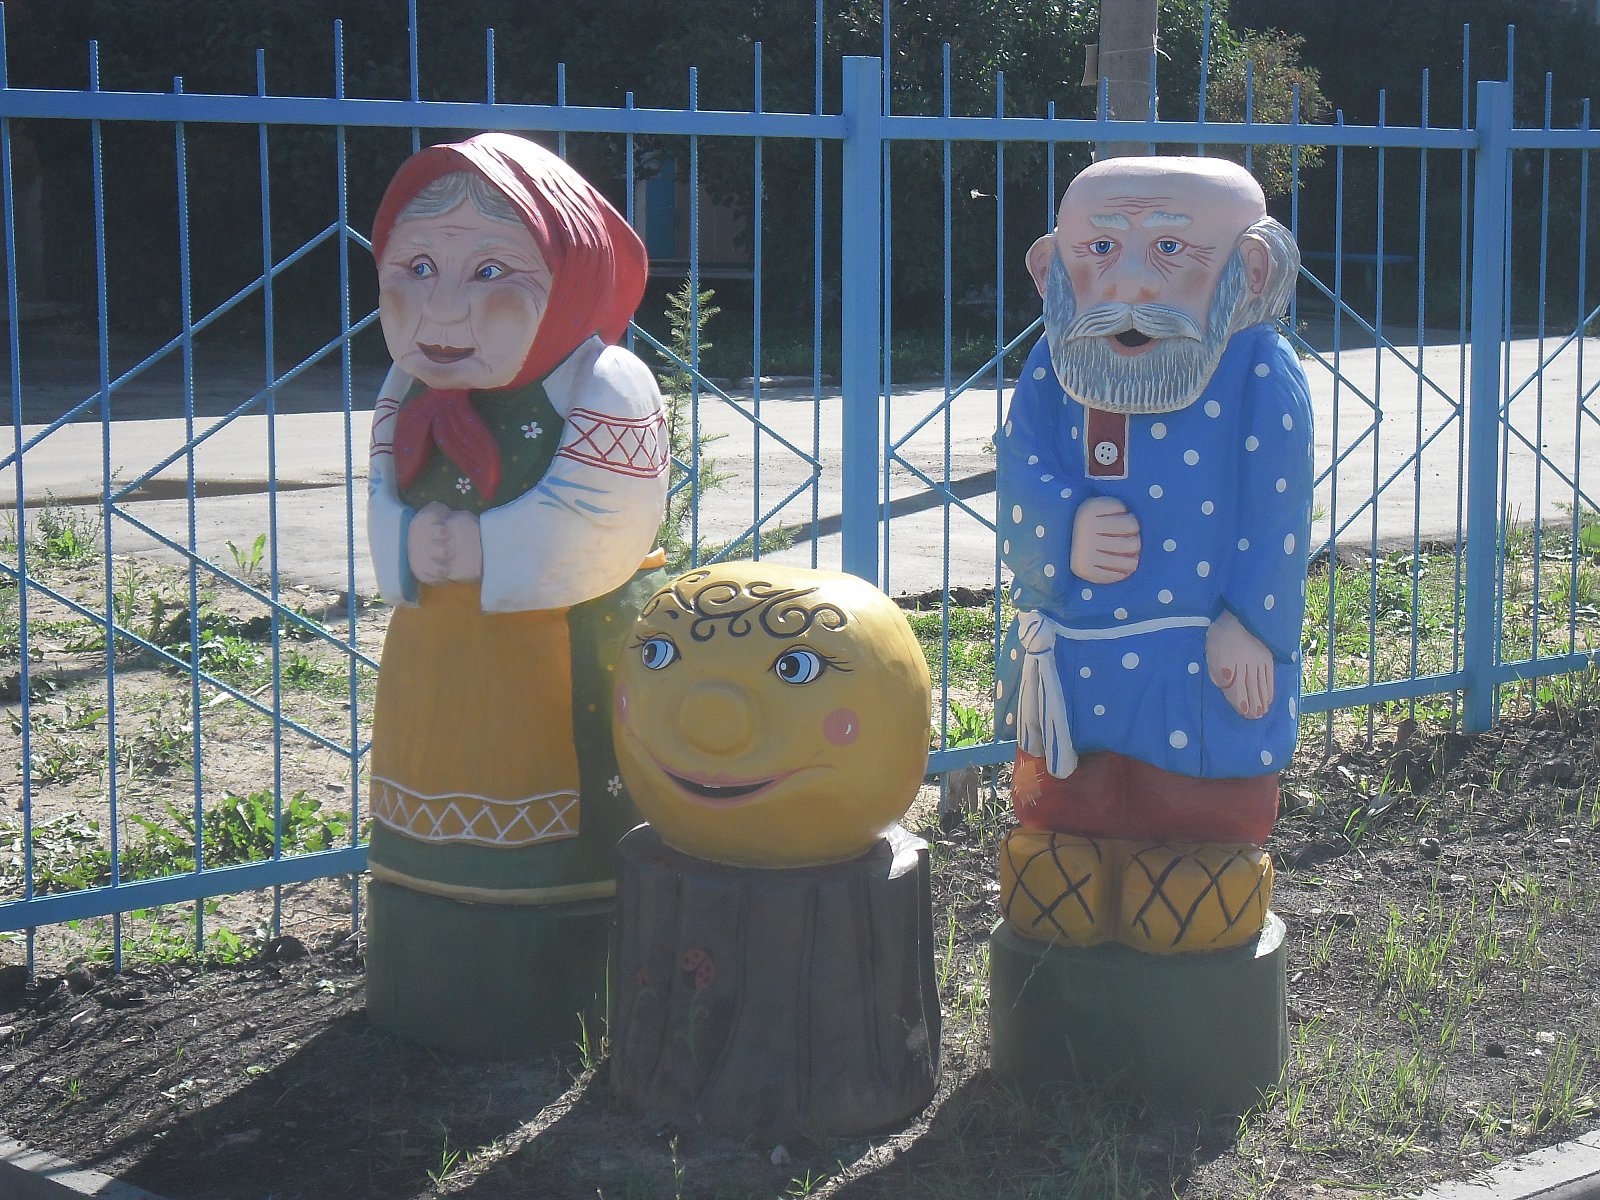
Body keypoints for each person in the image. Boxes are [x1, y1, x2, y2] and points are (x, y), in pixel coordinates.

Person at [363, 132, 668, 1053]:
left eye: (490, 270)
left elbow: (610, 515)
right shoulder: (405, 384)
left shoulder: (603, 381)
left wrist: (486, 546)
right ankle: (422, 933)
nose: (440, 307)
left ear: (573, 272)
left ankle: (553, 982)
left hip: (559, 648)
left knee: (550, 801)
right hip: (435, 649)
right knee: (431, 778)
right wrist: (409, 539)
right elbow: (380, 496)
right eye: (416, 267)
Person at [994, 156, 1312, 953]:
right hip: (1073, 639)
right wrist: (1064, 528)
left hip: (1200, 645)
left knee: (1198, 797)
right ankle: (1070, 853)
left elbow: (1276, 509)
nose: (1130, 282)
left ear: (1250, 270)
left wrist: (1252, 624)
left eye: (1170, 250)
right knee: (1066, 788)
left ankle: (1203, 868)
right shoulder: (1055, 363)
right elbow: (1020, 464)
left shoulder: (1259, 370)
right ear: (1051, 269)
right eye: (1099, 250)